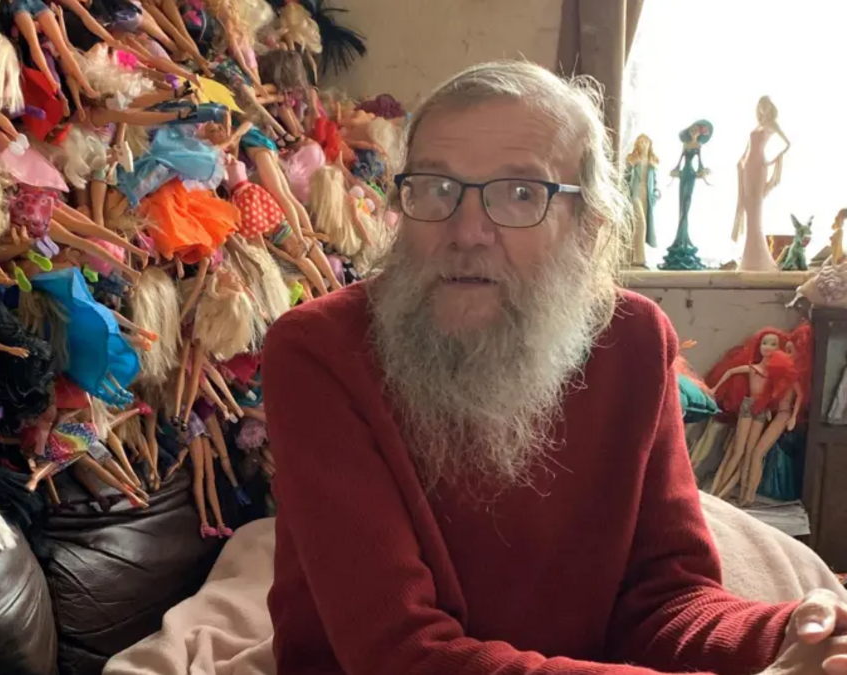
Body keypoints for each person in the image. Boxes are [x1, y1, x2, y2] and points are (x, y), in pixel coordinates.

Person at [262, 61, 847, 675]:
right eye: (436, 188)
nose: (467, 231)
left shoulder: (635, 340)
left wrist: (794, 638)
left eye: (521, 194)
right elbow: (398, 653)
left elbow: (665, 603)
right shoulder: (317, 351)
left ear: (588, 228)